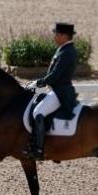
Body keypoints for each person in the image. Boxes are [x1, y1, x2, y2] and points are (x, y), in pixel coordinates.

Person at [25, 22, 78, 160]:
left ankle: (39, 148)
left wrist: (39, 82)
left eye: (56, 34)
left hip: (60, 92)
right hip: (56, 90)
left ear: (63, 35)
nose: (54, 37)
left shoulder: (67, 52)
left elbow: (55, 75)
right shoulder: (64, 49)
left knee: (38, 112)